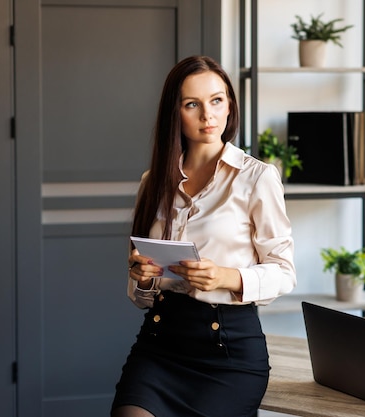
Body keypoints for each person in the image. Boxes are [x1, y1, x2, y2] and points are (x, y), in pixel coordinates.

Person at [111, 55, 296, 417]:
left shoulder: (257, 178)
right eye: (191, 104)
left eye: (216, 100)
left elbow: (285, 271)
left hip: (228, 353)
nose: (207, 115)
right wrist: (144, 278)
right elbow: (140, 297)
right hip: (159, 345)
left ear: (230, 105)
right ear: (175, 113)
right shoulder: (153, 182)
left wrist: (227, 277)